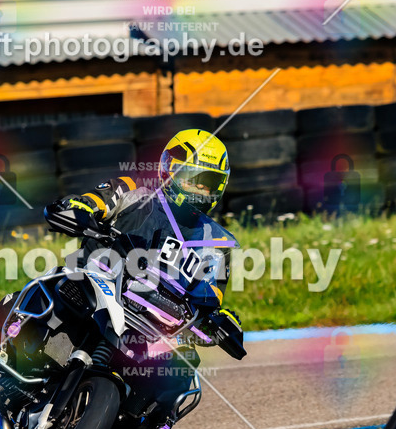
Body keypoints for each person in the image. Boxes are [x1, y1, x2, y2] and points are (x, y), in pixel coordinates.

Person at [43, 128, 245, 356]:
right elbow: (91, 202)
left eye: (207, 182)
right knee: (53, 289)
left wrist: (219, 322)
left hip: (146, 329)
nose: (200, 188)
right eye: (193, 178)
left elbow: (206, 308)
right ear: (172, 170)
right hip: (89, 290)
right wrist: (79, 208)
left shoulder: (218, 245)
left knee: (184, 367)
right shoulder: (133, 192)